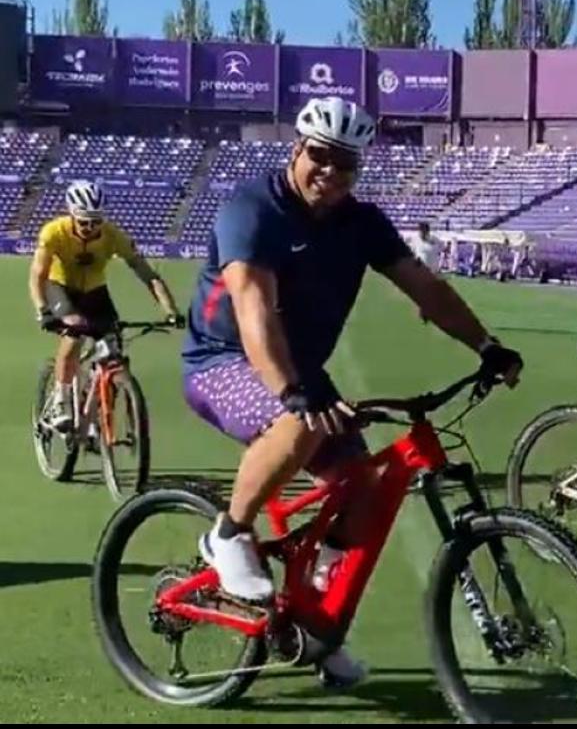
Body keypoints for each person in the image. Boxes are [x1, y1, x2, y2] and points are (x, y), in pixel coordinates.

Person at [181, 96, 523, 687]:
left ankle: (313, 629)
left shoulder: (362, 223)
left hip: (302, 371)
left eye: (346, 164)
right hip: (223, 360)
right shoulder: (253, 209)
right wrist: (291, 389)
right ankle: (228, 534)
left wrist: (486, 345)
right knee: (301, 424)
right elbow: (254, 310)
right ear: (298, 149)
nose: (331, 173)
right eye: (321, 156)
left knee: (362, 485)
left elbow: (427, 289)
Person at [28, 181, 184, 430]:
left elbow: (147, 274)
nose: (90, 227)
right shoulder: (53, 232)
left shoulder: (113, 236)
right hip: (60, 287)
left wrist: (170, 310)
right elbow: (37, 275)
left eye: (96, 221)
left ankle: (96, 410)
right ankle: (60, 399)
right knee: (74, 333)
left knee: (113, 349)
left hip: (94, 292)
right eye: (84, 221)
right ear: (71, 215)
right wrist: (43, 310)